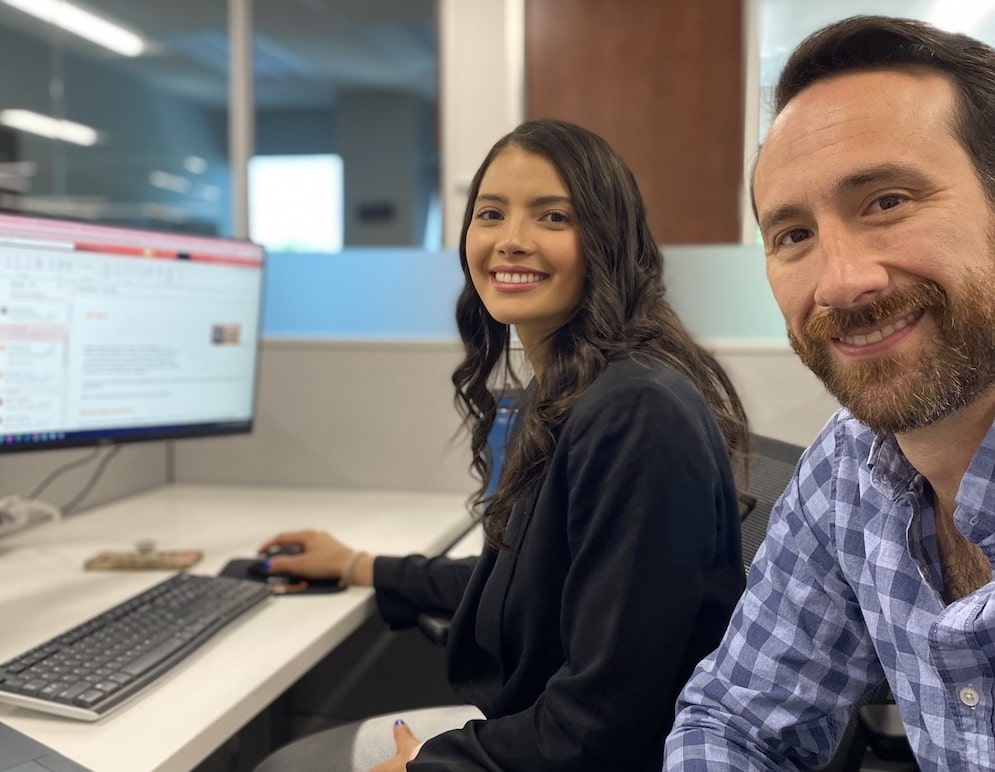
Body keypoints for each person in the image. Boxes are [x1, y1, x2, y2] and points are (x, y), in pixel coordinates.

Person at [254, 118, 750, 772]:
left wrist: (426, 768)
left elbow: (608, 719)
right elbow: (529, 586)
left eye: (552, 217)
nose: (510, 241)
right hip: (540, 738)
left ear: (607, 238)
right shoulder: (575, 393)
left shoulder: (635, 413)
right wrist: (360, 566)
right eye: (490, 213)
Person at [665, 14, 995, 771]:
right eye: (791, 235)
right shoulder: (848, 470)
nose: (840, 283)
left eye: (886, 201)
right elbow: (731, 719)